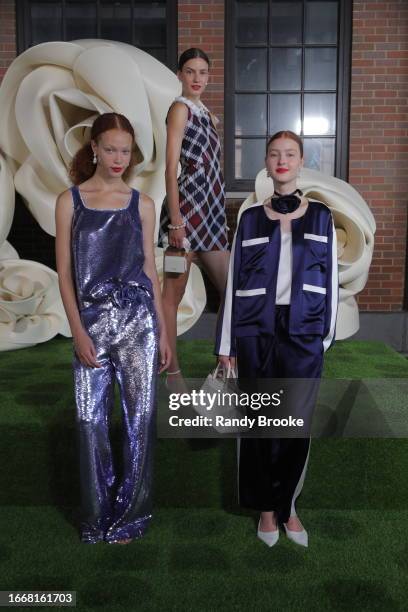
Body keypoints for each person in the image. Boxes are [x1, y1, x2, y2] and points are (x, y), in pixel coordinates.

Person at [216, 130, 338, 548]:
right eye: (274, 154)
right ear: (266, 163)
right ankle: (266, 510)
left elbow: (332, 281)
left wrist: (324, 340)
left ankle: (289, 506)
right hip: (254, 331)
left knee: (294, 425)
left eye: (290, 154)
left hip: (304, 332)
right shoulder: (249, 218)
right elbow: (234, 283)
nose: (282, 160)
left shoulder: (322, 216)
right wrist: (227, 346)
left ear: (301, 161)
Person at [55, 112, 171, 544]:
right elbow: (64, 274)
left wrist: (162, 331)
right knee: (90, 421)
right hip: (92, 324)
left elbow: (149, 269)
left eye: (125, 150)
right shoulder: (70, 201)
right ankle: (97, 515)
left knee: (140, 421)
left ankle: (132, 517)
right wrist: (78, 332)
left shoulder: (142, 203)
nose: (119, 158)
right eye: (110, 149)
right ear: (94, 149)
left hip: (138, 322)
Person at [158, 48, 230, 389]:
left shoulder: (208, 115)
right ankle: (172, 373)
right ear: (179, 74)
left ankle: (226, 360)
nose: (197, 78)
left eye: (203, 71)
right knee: (171, 297)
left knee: (233, 290)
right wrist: (175, 222)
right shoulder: (179, 109)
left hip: (212, 217)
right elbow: (170, 170)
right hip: (185, 216)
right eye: (190, 71)